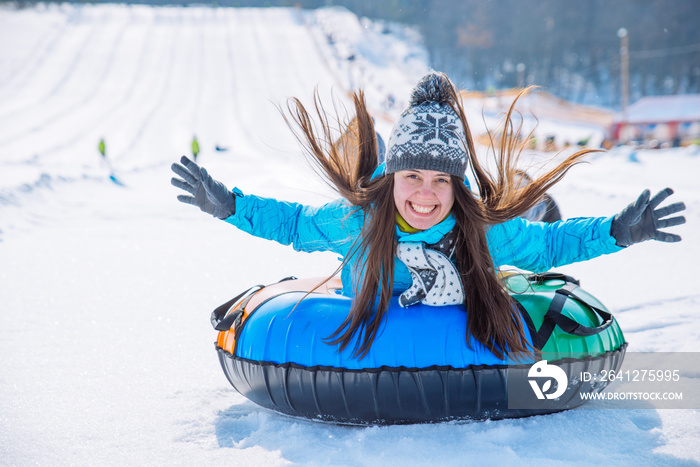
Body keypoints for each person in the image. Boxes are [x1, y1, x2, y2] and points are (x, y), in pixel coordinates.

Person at [171, 72, 685, 361]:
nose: (425, 194)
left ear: (457, 186)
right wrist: (231, 205)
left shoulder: (478, 232)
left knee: (527, 239)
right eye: (412, 176)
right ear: (392, 177)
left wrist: (619, 231)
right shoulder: (359, 223)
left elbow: (549, 248)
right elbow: (295, 224)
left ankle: (532, 201)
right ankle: (372, 151)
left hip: (490, 269)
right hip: (367, 287)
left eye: (442, 180)